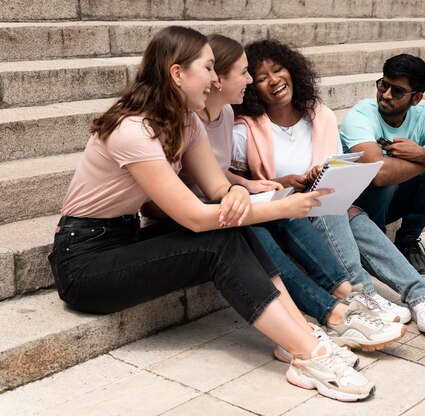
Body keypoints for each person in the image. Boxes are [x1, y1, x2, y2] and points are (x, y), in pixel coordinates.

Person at [47, 26, 374, 402]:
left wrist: (235, 191)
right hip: (84, 262)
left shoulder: (186, 121)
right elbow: (196, 218)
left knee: (235, 231)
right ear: (177, 73)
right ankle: (309, 355)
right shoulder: (133, 130)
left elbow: (218, 187)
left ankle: (298, 335)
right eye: (208, 69)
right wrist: (283, 207)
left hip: (123, 238)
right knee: (217, 239)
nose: (215, 79)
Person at [174, 33, 405, 356]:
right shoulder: (190, 120)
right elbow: (187, 186)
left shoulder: (225, 114)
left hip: (222, 199)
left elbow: (214, 172)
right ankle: (332, 314)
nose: (252, 79)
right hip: (194, 211)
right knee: (259, 232)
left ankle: (348, 294)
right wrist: (242, 190)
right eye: (244, 73)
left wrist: (253, 186)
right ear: (216, 80)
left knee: (287, 207)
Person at [232, 39, 425, 333]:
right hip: (282, 217)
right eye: (260, 77)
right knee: (327, 201)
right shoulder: (245, 131)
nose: (273, 81)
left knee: (340, 206)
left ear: (292, 70)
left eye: (278, 69)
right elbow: (237, 189)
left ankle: (419, 296)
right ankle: (362, 293)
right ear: (252, 86)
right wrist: (282, 183)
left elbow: (334, 173)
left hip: (327, 210)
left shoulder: (319, 116)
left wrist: (320, 177)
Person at [339, 54, 425, 275]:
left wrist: (422, 153)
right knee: (393, 178)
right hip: (358, 205)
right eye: (383, 85)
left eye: (398, 91)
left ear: (416, 98)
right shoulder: (361, 114)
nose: (386, 95)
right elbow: (379, 174)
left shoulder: (423, 116)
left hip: (393, 201)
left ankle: (408, 238)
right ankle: (374, 244)